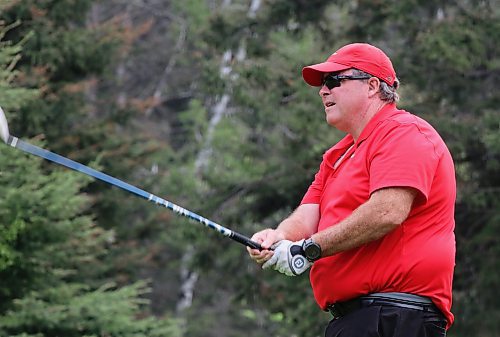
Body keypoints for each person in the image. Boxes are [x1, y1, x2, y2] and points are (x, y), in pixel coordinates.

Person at [247, 43, 456, 337]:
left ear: (372, 85)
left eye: (334, 81)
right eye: (322, 84)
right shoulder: (338, 155)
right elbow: (309, 214)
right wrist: (279, 237)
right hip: (356, 319)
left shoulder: (404, 132)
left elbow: (387, 211)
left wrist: (309, 249)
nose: (323, 91)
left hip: (395, 317)